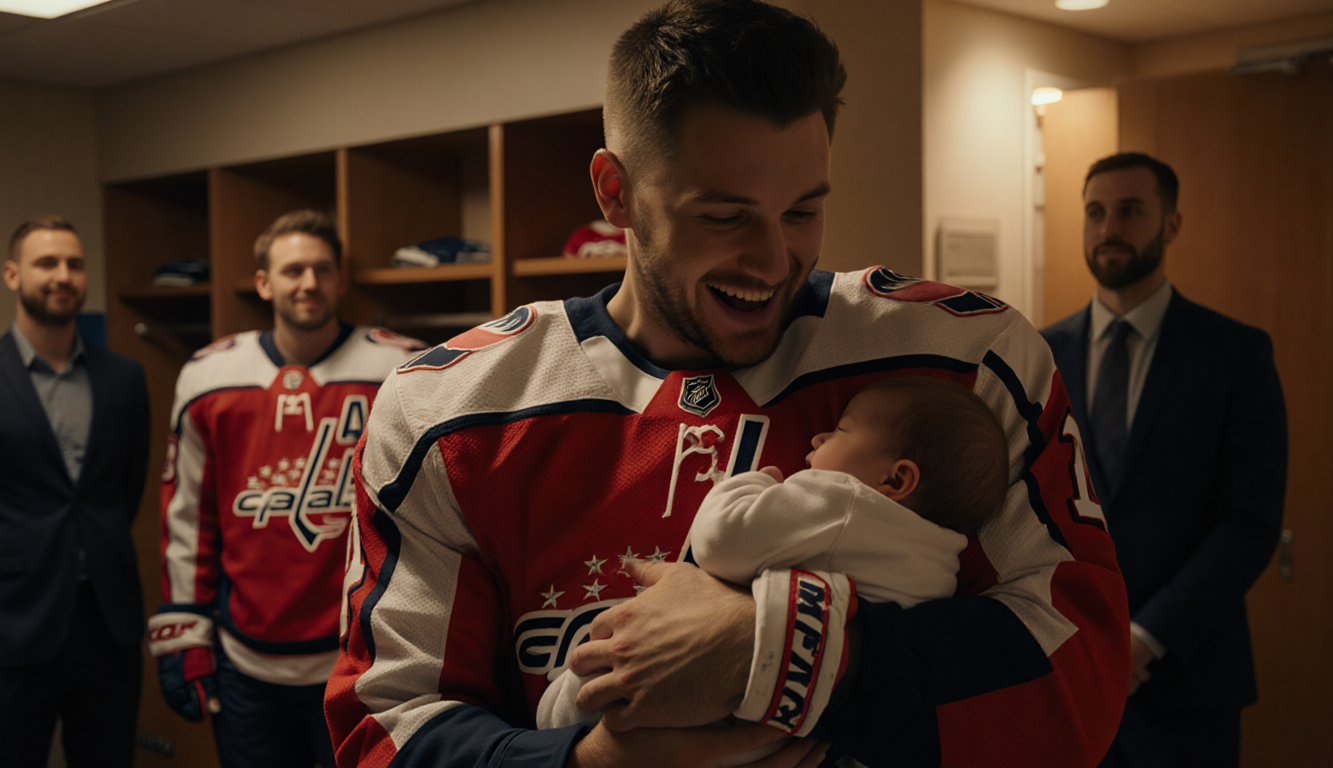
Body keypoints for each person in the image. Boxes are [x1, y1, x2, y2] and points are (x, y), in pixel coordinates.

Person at [327, 2, 1130, 767]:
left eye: (803, 211)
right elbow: (387, 729)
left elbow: (1079, 678)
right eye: (724, 216)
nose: (775, 259)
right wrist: (591, 762)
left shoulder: (962, 357)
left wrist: (771, 651)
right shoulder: (449, 409)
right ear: (616, 193)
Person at [536, 376, 1010, 737]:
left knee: (584, 687)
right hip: (807, 720)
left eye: (841, 430)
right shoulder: (942, 563)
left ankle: (558, 718)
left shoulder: (843, 502)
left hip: (731, 686)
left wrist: (752, 482)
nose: (819, 440)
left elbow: (721, 542)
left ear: (895, 481)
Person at [149, 210, 426, 768]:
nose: (308, 284)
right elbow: (187, 517)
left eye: (322, 270)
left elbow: (432, 516)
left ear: (341, 280)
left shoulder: (402, 367)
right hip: (246, 662)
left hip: (359, 659)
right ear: (263, 283)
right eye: (293, 270)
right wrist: (183, 630)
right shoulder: (209, 376)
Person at [1041, 152, 1287, 767]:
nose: (1108, 229)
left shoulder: (1236, 355)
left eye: (1129, 211)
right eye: (1095, 213)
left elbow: (1249, 523)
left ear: (1170, 225)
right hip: (1067, 672)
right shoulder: (1040, 353)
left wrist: (1146, 641)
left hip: (1188, 676)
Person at [0, 215, 150, 768]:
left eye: (74, 264)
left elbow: (123, 492)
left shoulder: (125, 377)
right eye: (47, 263)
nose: (62, 275)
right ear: (13, 275)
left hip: (107, 625)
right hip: (14, 624)